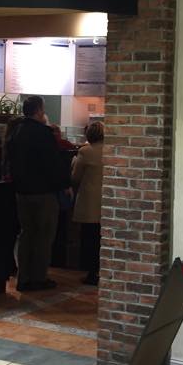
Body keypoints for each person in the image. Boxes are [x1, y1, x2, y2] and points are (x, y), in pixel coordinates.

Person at [5, 96, 70, 291]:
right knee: (44, 235)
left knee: (26, 234)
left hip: (21, 191)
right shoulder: (43, 133)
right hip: (43, 192)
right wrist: (64, 184)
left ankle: (23, 278)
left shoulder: (16, 131)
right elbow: (53, 163)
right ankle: (39, 277)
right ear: (39, 110)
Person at [72, 121, 104, 285]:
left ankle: (91, 272)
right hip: (104, 200)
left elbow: (75, 177)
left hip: (89, 200)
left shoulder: (85, 151)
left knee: (89, 238)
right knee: (101, 238)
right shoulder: (110, 150)